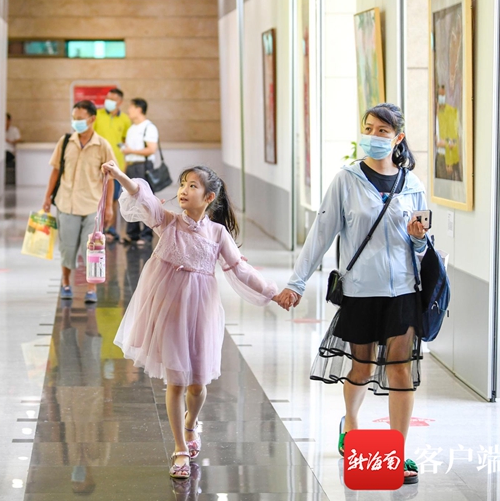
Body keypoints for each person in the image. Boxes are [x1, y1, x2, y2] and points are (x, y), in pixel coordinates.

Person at [273, 103, 429, 486]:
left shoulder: (413, 185)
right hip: (361, 291)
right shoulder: (346, 179)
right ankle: (352, 427)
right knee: (362, 367)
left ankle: (396, 453)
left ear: (398, 138)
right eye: (369, 128)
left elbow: (423, 244)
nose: (373, 136)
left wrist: (418, 239)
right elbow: (321, 234)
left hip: (403, 291)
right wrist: (296, 283)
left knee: (400, 371)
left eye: (382, 131)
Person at [102, 161, 279, 479]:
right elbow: (143, 197)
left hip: (201, 312)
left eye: (192, 186)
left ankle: (191, 422)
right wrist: (120, 176)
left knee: (197, 385)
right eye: (183, 184)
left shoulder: (217, 233)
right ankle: (180, 447)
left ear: (209, 198)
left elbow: (240, 269)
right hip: (169, 311)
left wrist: (273, 293)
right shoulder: (167, 222)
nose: (183, 190)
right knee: (176, 382)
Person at [43, 101, 115, 303]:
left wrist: (109, 207)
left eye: (80, 118)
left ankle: (91, 288)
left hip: (92, 206)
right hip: (67, 204)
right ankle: (66, 283)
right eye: (74, 118)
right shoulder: (66, 141)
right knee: (67, 248)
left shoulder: (103, 145)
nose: (76, 122)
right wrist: (47, 197)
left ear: (92, 119)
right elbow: (56, 171)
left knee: (93, 249)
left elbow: (110, 179)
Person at [93, 88, 132, 243]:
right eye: (107, 98)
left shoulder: (125, 120)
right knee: (98, 198)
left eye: (113, 99)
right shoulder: (97, 115)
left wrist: (124, 167)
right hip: (96, 165)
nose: (108, 101)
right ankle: (98, 228)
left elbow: (126, 144)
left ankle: (111, 229)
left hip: (116, 166)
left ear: (120, 102)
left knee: (113, 199)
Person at [121, 98, 159, 246]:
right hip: (131, 166)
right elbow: (127, 152)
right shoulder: (131, 129)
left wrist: (131, 151)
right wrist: (124, 171)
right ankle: (133, 234)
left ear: (139, 109)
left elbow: (151, 149)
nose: (128, 111)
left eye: (131, 107)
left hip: (143, 166)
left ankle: (147, 234)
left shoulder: (149, 127)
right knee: (130, 199)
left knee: (146, 200)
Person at [5, 113, 21, 185]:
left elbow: (19, 139)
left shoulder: (14, 130)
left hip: (10, 151)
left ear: (9, 120)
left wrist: (10, 141)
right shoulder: (0, 131)